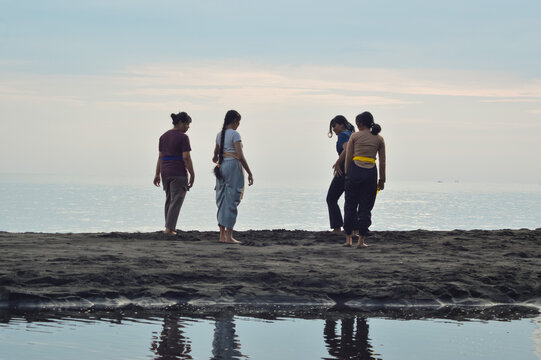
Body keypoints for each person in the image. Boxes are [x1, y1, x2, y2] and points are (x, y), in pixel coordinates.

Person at [343, 111, 386, 247]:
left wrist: (347, 173)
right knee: (365, 208)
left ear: (360, 123)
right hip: (370, 173)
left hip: (355, 171)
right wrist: (382, 180)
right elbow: (382, 162)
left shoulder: (355, 136)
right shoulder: (379, 139)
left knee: (350, 205)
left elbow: (348, 157)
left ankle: (348, 239)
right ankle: (361, 241)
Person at [212, 110, 254, 244]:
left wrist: (223, 156)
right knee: (232, 200)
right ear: (235, 121)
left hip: (222, 166)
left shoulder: (219, 135)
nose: (239, 125)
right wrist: (249, 172)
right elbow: (240, 156)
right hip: (232, 167)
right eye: (238, 122)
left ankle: (222, 235)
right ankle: (229, 236)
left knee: (222, 199)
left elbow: (215, 155)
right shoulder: (235, 134)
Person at [153, 112, 195, 235]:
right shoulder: (183, 137)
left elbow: (160, 157)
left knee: (169, 200)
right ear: (181, 122)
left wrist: (157, 174)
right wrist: (192, 174)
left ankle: (169, 227)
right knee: (177, 199)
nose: (188, 127)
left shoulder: (163, 136)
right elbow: (186, 157)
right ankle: (169, 229)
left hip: (165, 171)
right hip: (178, 171)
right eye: (187, 124)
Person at [326, 115, 355, 234]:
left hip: (343, 169)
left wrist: (338, 163)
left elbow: (347, 149)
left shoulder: (343, 135)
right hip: (354, 169)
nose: (333, 129)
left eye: (334, 126)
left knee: (331, 198)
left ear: (342, 125)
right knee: (351, 200)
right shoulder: (351, 133)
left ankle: (337, 228)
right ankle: (353, 228)